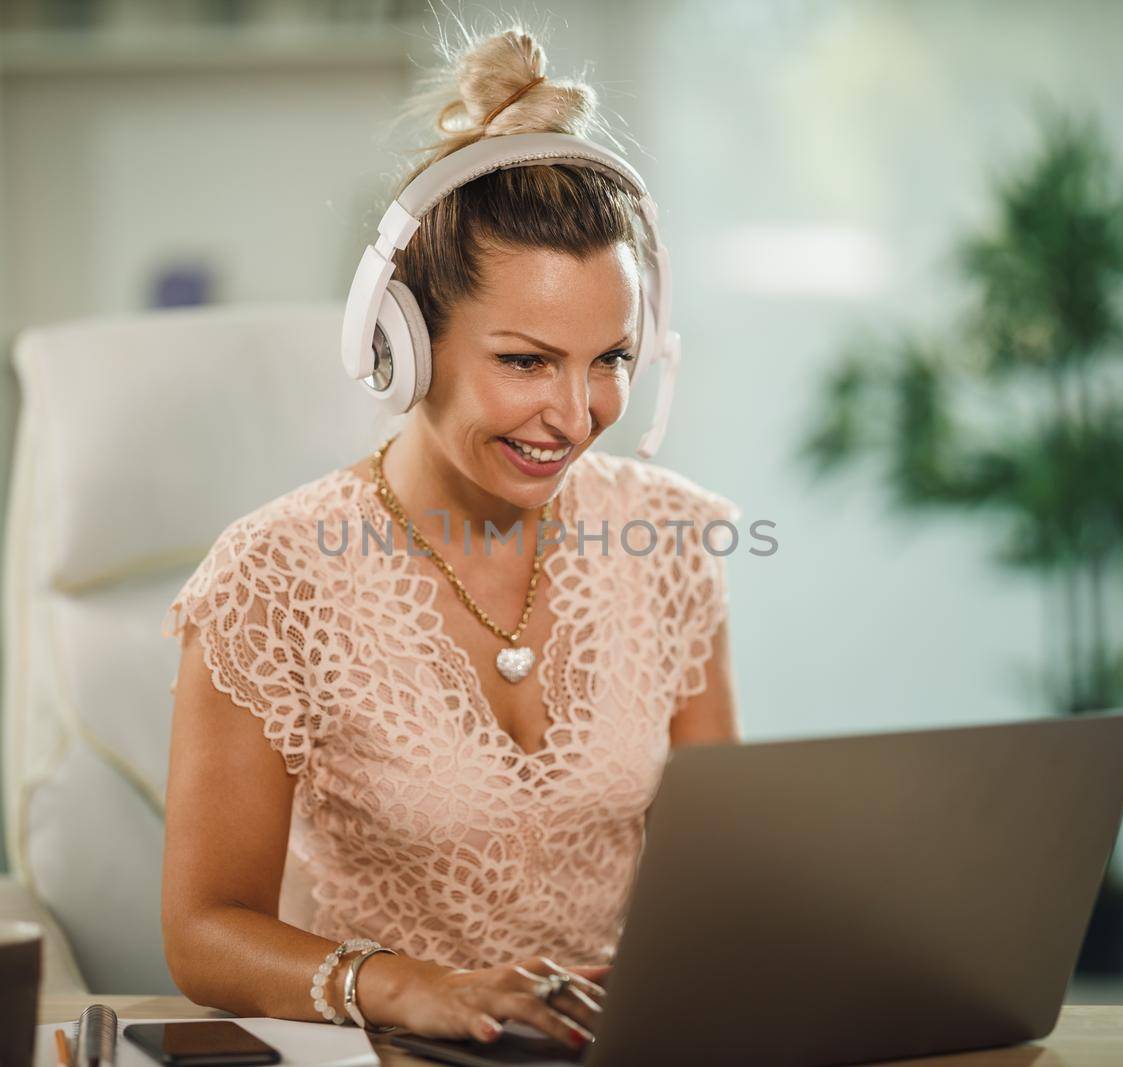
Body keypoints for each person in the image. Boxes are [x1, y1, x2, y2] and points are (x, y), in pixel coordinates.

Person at [159, 20, 741, 1054]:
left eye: (610, 357)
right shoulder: (272, 574)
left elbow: (726, 865)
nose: (576, 413)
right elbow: (205, 933)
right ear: (403, 346)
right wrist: (408, 986)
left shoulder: (669, 539)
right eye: (525, 361)